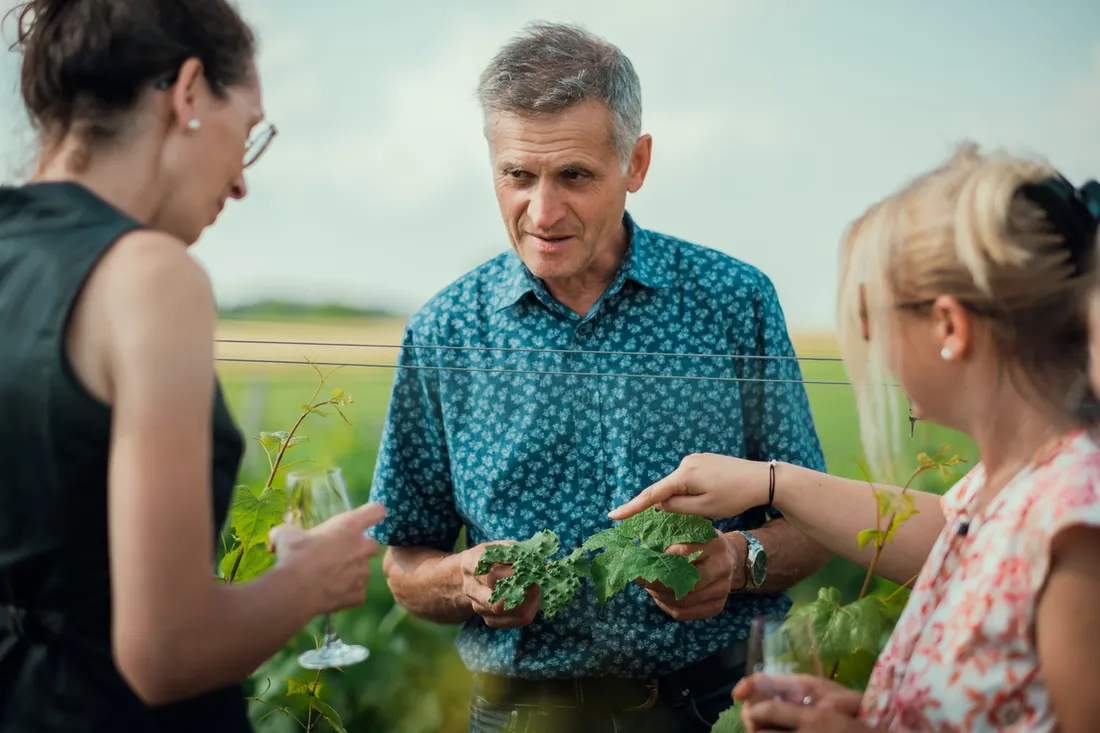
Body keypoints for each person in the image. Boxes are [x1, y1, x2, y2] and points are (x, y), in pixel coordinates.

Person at [368, 21, 831, 733]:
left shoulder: (733, 302)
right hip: (521, 715)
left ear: (636, 163)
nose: (542, 211)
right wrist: (460, 580)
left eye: (574, 176)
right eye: (518, 175)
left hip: (712, 706)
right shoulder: (445, 331)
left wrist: (739, 560)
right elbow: (405, 560)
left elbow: (817, 519)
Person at [610, 144, 1100, 733]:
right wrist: (877, 716)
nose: (868, 337)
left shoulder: (1073, 518)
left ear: (949, 326)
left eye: (877, 312)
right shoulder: (1003, 489)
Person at [0, 2, 384, 731]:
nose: (240, 183)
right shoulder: (149, 275)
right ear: (187, 93)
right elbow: (167, 652)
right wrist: (308, 580)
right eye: (249, 131)